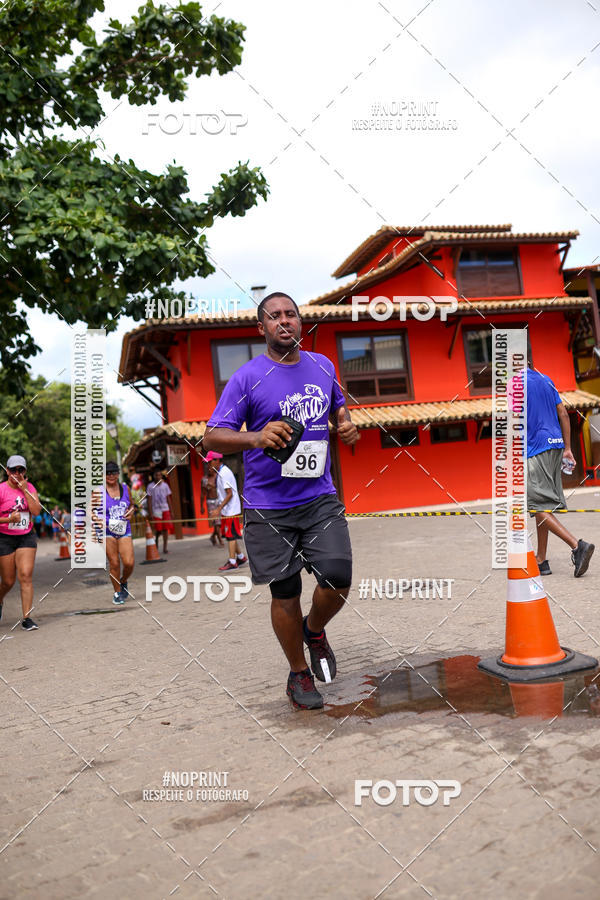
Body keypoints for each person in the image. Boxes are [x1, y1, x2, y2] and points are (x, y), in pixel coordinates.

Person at [203, 292, 360, 709]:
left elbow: (339, 411)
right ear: (262, 328)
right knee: (285, 592)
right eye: (275, 317)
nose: (284, 322)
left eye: (291, 315)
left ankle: (315, 630)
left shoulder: (323, 366)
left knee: (338, 576)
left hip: (319, 497)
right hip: (268, 505)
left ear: (300, 323)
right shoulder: (246, 378)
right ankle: (299, 674)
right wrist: (254, 436)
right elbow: (212, 435)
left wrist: (345, 427)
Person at [526, 364, 594, 576]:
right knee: (542, 505)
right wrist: (567, 448)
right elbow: (563, 414)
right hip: (555, 447)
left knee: (535, 505)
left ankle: (577, 545)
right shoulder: (547, 379)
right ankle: (541, 559)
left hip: (535, 449)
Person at [0, 455, 42, 630]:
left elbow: (36, 511)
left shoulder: (30, 487)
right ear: (7, 471)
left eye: (21, 470)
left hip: (26, 536)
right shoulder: (1, 489)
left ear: (25, 472)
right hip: (5, 538)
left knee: (25, 576)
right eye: (13, 470)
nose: (17, 473)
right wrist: (8, 520)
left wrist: (25, 490)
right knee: (8, 581)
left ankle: (27, 618)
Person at [96, 461, 136, 605]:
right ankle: (117, 592)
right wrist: (96, 519)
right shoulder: (98, 491)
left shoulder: (125, 488)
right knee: (114, 563)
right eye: (108, 473)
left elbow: (132, 504)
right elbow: (88, 510)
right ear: (103, 475)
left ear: (118, 474)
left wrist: (131, 512)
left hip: (124, 529)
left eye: (114, 472)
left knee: (129, 563)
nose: (111, 475)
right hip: (107, 530)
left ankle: (123, 580)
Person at [205, 452, 246, 569]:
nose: (208, 465)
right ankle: (241, 557)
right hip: (227, 510)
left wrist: (218, 509)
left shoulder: (224, 473)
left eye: (210, 462)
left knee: (231, 536)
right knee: (230, 534)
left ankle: (233, 562)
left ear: (217, 460)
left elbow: (230, 494)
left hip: (231, 510)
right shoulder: (220, 472)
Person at [147, 469, 174, 553]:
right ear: (153, 476)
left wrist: (171, 511)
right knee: (158, 529)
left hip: (165, 509)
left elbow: (168, 498)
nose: (158, 477)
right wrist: (150, 512)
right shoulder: (150, 486)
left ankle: (165, 548)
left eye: (159, 475)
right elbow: (149, 500)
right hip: (156, 510)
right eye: (156, 475)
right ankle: (156, 543)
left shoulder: (165, 486)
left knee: (165, 529)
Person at [200, 460, 223, 546]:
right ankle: (220, 540)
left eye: (211, 468)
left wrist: (213, 486)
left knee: (219, 522)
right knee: (216, 522)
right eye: (208, 468)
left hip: (219, 500)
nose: (209, 470)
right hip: (210, 502)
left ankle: (213, 536)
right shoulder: (204, 479)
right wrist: (201, 506)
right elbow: (202, 493)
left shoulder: (218, 477)